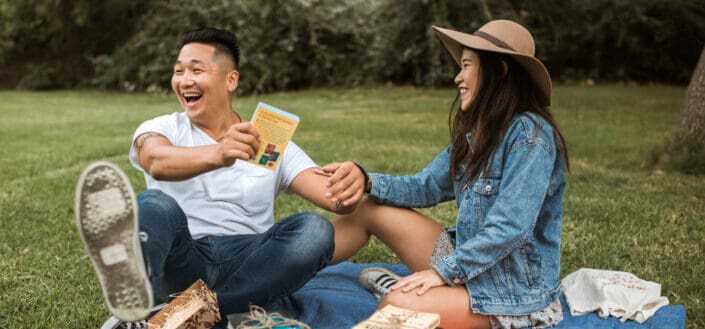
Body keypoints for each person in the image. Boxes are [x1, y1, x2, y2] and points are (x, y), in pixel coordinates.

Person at [75, 27, 358, 328]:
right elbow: (156, 160)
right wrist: (219, 153)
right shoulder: (163, 127)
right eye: (178, 71)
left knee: (315, 230)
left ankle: (181, 318)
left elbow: (334, 197)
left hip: (250, 265)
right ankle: (139, 277)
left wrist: (355, 179)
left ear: (230, 80)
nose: (185, 81)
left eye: (196, 70)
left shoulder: (269, 140)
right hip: (181, 260)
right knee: (155, 203)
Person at [320, 20, 570, 329]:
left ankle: (412, 292)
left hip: (509, 292)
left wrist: (442, 272)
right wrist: (367, 179)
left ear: (501, 71)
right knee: (367, 209)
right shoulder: (478, 132)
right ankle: (275, 273)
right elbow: (425, 186)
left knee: (398, 307)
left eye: (466, 66)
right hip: (469, 266)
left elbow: (510, 228)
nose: (458, 77)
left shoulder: (531, 137)